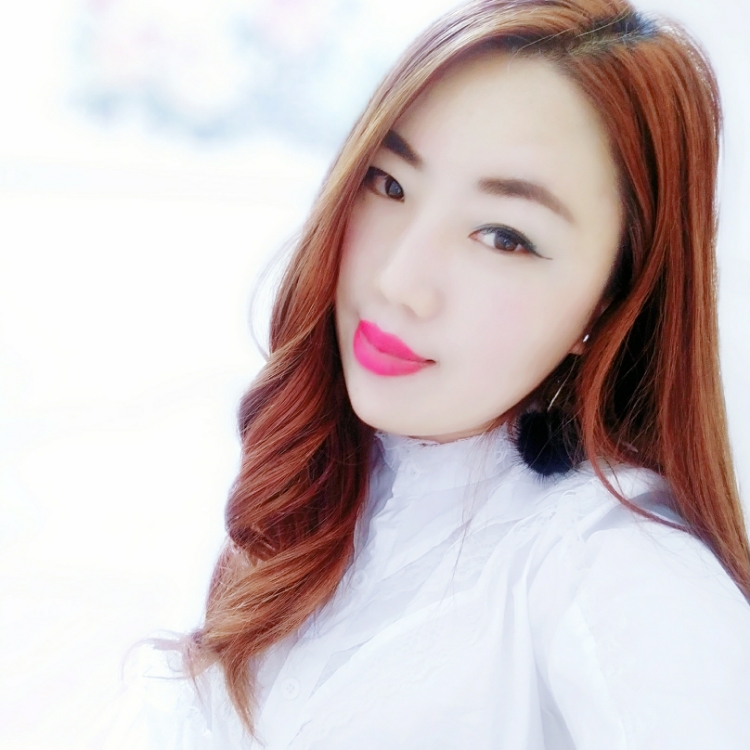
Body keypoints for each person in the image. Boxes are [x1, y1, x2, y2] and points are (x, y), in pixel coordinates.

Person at [106, 0, 750, 747]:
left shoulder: (611, 566)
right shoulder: (329, 490)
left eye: (502, 236)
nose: (398, 281)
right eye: (389, 184)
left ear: (611, 300)